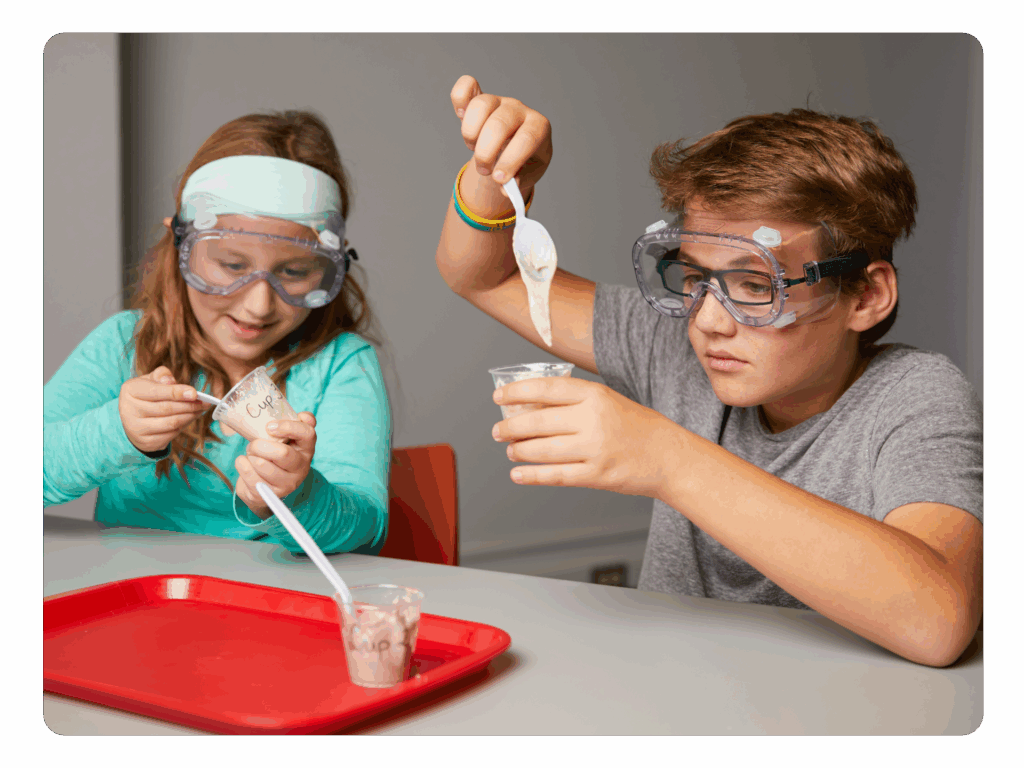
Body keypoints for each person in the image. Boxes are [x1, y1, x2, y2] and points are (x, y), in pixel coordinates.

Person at [435, 76, 982, 667]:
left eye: (755, 285)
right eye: (695, 278)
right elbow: (485, 276)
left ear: (866, 297)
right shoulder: (673, 349)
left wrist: (666, 460)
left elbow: (939, 620)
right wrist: (496, 178)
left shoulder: (915, 397)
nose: (709, 323)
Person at [44, 111, 391, 556]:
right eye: (231, 265)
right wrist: (117, 430)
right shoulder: (123, 345)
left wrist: (298, 495)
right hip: (137, 602)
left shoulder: (341, 363)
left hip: (278, 609)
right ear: (181, 245)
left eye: (296, 271)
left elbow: (365, 528)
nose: (258, 305)